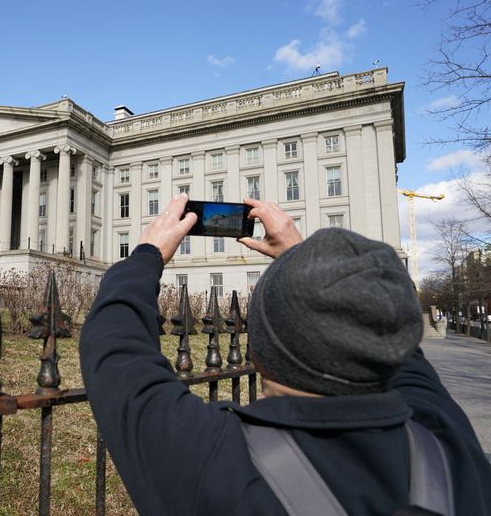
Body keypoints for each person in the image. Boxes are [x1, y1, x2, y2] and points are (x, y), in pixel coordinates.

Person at [79, 194, 491, 515]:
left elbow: (114, 347)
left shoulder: (216, 464)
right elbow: (396, 347)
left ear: (257, 351)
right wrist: (301, 259)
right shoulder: (448, 445)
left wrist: (147, 253)